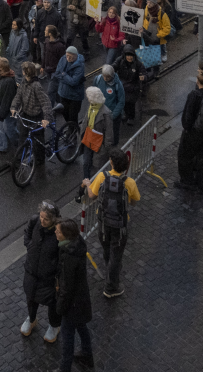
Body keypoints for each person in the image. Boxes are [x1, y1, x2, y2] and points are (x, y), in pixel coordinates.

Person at [84, 148, 140, 298]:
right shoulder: (130, 183)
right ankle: (111, 287)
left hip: (103, 222)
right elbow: (134, 202)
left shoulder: (102, 177)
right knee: (116, 254)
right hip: (119, 226)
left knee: (107, 249)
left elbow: (92, 195)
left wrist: (88, 183)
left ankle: (110, 270)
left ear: (111, 163)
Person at [54, 218, 95, 371]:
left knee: (67, 337)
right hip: (80, 301)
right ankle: (87, 355)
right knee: (81, 326)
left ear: (66, 235)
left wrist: (60, 308)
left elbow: (67, 288)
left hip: (72, 305)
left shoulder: (69, 257)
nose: (56, 233)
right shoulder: (77, 245)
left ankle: (65, 368)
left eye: (58, 231)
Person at [20, 200, 62, 343]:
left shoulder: (59, 233)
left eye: (46, 219)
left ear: (54, 220)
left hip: (48, 277)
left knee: (52, 302)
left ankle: (54, 325)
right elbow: (28, 232)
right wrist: (29, 245)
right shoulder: (35, 221)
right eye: (41, 217)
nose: (42, 221)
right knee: (31, 297)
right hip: (32, 272)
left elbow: (63, 255)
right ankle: (32, 319)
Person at [176, 64, 203, 194]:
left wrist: (188, 129)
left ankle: (187, 181)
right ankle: (202, 186)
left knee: (185, 157)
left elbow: (187, 119)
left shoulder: (194, 95)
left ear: (197, 81)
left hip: (193, 134)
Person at [76, 85, 115, 178]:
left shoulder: (106, 113)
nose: (88, 99)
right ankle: (86, 182)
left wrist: (106, 149)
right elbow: (86, 122)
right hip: (88, 140)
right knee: (86, 163)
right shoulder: (91, 106)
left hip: (99, 145)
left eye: (89, 97)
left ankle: (96, 186)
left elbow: (109, 134)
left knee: (97, 166)